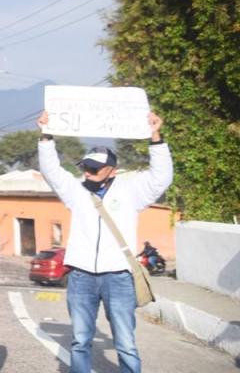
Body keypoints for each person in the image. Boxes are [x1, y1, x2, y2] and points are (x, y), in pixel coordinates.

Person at [37, 111, 172, 373]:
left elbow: (161, 178)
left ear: (112, 170)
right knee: (80, 341)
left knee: (126, 343)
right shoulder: (75, 190)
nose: (88, 172)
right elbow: (52, 171)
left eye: (95, 168)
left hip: (119, 277)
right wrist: (45, 135)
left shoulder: (132, 190)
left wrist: (156, 137)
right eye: (86, 166)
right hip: (81, 276)